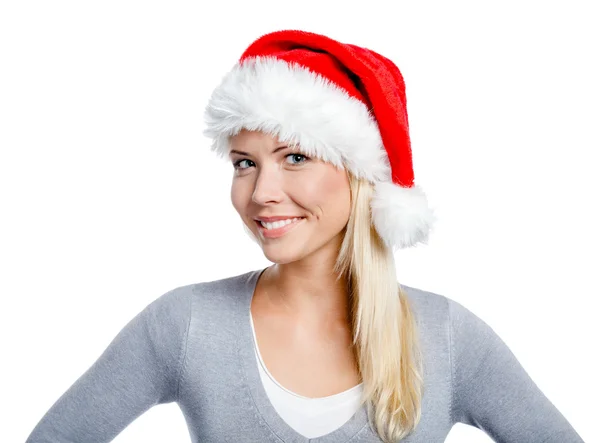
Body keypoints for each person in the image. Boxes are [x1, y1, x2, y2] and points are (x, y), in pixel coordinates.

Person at [25, 29, 584, 443]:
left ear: (362, 176)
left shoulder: (448, 337)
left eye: (295, 156)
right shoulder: (185, 325)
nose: (262, 191)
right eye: (244, 163)